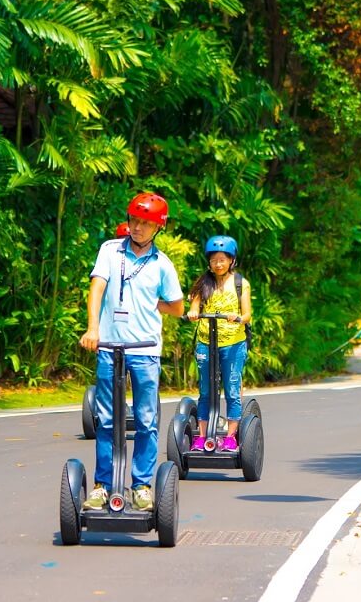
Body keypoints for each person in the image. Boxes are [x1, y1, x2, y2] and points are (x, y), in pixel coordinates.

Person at [80, 192, 184, 511]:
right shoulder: (110, 251)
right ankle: (102, 485)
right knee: (108, 419)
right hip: (110, 347)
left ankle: (141, 486)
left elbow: (178, 308)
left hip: (146, 350)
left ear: (158, 228)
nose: (138, 227)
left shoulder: (162, 264)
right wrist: (93, 328)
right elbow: (97, 287)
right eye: (135, 220)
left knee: (146, 420)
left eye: (146, 223)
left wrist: (156, 305)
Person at [185, 235, 253, 451]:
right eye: (214, 260)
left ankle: (231, 437)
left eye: (223, 259)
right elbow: (194, 306)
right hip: (206, 342)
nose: (218, 264)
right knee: (206, 391)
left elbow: (248, 314)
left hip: (233, 343)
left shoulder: (241, 283)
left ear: (232, 260)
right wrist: (194, 311)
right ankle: (202, 436)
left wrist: (238, 318)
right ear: (209, 262)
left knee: (232, 389)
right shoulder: (203, 283)